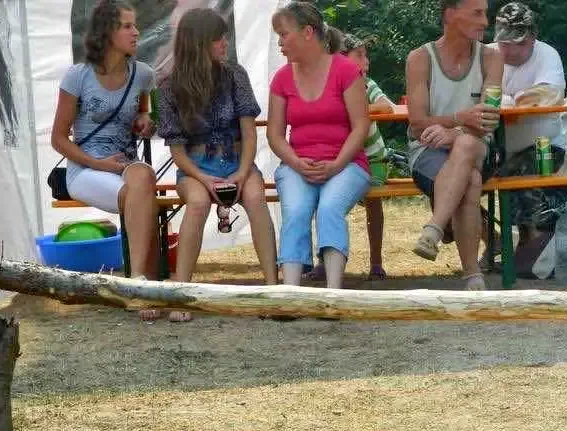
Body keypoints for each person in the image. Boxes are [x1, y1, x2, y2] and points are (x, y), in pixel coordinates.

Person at [157, 7, 278, 289]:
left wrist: (242, 172)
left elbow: (249, 133)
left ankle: (274, 287)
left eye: (224, 37)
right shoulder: (169, 87)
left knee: (256, 198)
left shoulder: (235, 74)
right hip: (195, 167)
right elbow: (177, 152)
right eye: (217, 38)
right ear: (198, 43)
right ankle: (182, 290)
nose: (225, 43)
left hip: (238, 161)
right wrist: (204, 178)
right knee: (198, 203)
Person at [52, 0, 161, 294]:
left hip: (126, 165)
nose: (136, 32)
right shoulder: (77, 76)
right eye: (127, 26)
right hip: (86, 169)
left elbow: (150, 115)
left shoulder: (144, 75)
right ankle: (147, 284)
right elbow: (58, 139)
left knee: (144, 177)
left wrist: (146, 121)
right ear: (107, 33)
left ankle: (139, 281)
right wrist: (99, 164)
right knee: (142, 195)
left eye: (135, 25)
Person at [268, 2, 371, 288]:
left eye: (284, 34)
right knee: (296, 210)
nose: (280, 42)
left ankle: (333, 294)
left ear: (308, 32)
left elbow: (361, 127)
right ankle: (290, 292)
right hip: (297, 164)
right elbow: (275, 136)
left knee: (329, 208)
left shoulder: (346, 70)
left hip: (347, 164)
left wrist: (336, 164)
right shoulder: (281, 78)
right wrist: (296, 163)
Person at [405, 0, 504, 290]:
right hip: (428, 150)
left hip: (477, 145)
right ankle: (473, 275)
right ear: (450, 14)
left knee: (467, 145)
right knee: (470, 180)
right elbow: (418, 124)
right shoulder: (420, 58)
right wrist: (460, 120)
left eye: (485, 13)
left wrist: (455, 132)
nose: (485, 22)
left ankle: (435, 228)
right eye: (477, 13)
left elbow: (487, 119)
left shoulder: (492, 57)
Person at [306, 32, 395, 281]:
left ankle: (376, 262)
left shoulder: (367, 84)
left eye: (366, 56)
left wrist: (355, 108)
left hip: (373, 161)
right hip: (340, 161)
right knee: (325, 200)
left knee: (371, 202)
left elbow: (386, 106)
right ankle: (324, 259)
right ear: (340, 58)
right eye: (360, 55)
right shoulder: (326, 85)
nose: (366, 62)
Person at [494, 2, 567, 241]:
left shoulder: (547, 55)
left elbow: (548, 95)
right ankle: (493, 240)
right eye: (504, 43)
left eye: (518, 43)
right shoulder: (486, 55)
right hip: (496, 149)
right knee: (454, 180)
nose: (510, 51)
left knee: (520, 180)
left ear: (533, 37)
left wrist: (507, 99)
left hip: (544, 147)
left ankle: (533, 247)